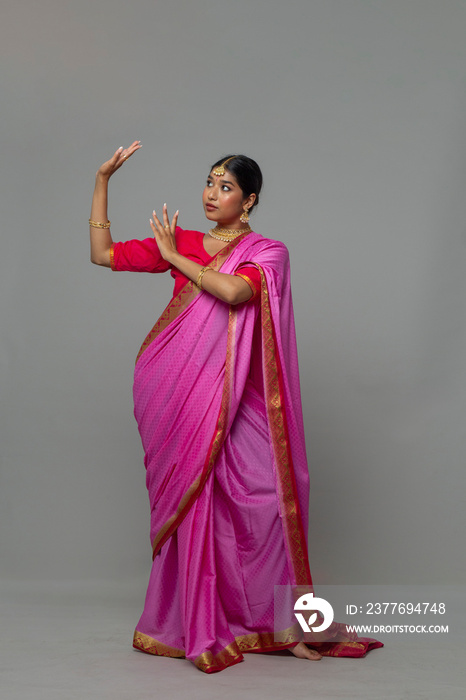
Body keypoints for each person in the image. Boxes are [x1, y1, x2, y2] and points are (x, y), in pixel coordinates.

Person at [89, 142, 383, 674]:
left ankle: (278, 623)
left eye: (225, 187)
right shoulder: (178, 239)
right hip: (178, 393)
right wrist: (102, 181)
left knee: (267, 500)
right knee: (198, 506)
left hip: (240, 398)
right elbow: (103, 255)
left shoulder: (268, 252)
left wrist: (176, 258)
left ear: (248, 201)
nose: (211, 193)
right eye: (209, 182)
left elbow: (236, 294)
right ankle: (196, 620)